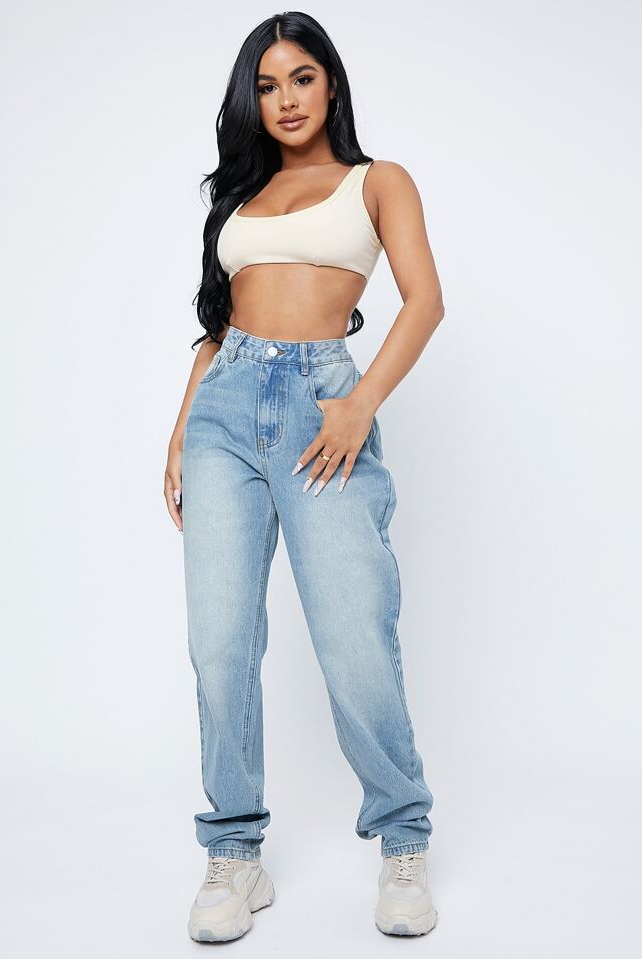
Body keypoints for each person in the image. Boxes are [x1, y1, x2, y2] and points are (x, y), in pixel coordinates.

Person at [165, 11, 445, 943]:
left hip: (324, 406)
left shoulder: (378, 181)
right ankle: (233, 853)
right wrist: (181, 432)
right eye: (267, 85)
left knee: (354, 633)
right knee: (219, 641)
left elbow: (425, 300)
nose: (284, 99)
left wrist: (359, 403)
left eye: (301, 78)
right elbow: (218, 326)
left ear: (331, 83)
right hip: (224, 412)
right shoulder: (242, 196)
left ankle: (403, 839)